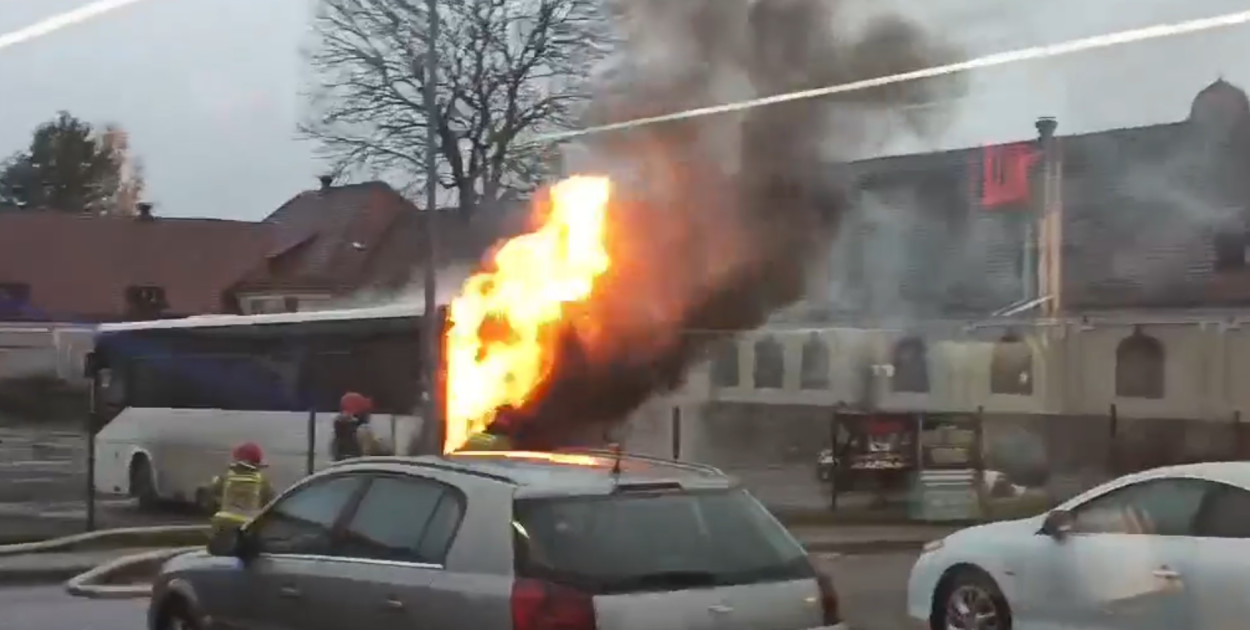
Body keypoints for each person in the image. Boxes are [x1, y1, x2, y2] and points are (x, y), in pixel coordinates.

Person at [208, 442, 274, 538]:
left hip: (223, 521)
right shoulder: (262, 481)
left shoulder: (226, 476)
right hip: (247, 524)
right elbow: (269, 502)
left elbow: (213, 492)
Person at [332, 392, 379, 461]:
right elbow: (369, 456)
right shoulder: (364, 431)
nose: (369, 415)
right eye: (366, 411)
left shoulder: (339, 434)